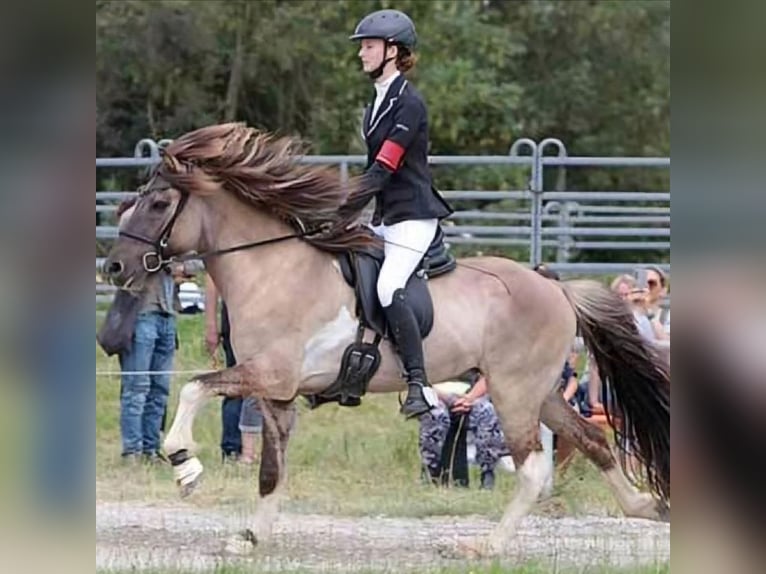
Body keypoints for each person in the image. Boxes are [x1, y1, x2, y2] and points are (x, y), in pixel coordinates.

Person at [349, 9, 454, 418]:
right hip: (386, 216)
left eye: (369, 46)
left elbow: (385, 167)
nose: (362, 53)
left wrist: (342, 205)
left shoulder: (409, 103)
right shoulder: (376, 101)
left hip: (412, 217)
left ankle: (418, 384)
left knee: (388, 286)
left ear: (393, 51)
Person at [115, 198, 178, 463]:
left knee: (159, 388)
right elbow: (125, 266)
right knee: (137, 386)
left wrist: (173, 264)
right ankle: (133, 449)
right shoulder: (132, 226)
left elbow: (191, 265)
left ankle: (151, 448)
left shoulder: (171, 229)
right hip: (141, 313)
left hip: (167, 313)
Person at [419, 369, 508, 489]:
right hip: (435, 396)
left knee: (487, 412)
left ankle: (487, 474)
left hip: (471, 395)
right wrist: (449, 398)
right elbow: (418, 379)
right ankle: (431, 473)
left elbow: (488, 376)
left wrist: (469, 398)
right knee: (437, 416)